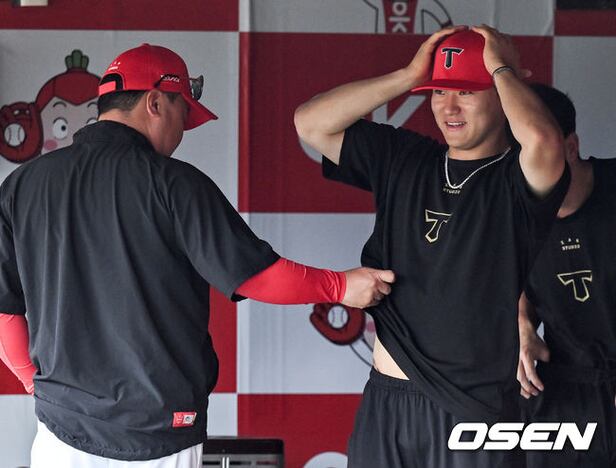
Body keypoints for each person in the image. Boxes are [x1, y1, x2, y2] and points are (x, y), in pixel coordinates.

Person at [0, 43, 395, 467]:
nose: (182, 132)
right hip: (156, 438)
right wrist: (341, 286)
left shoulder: (23, 185)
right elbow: (256, 276)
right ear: (155, 102)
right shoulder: (174, 184)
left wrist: (35, 385)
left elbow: (4, 312)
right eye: (182, 114)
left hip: (59, 435)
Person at [295, 25, 569, 467]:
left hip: (473, 410)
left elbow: (542, 140)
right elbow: (310, 122)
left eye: (467, 92)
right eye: (439, 91)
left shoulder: (519, 179)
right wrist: (409, 75)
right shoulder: (405, 156)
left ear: (504, 91)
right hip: (387, 401)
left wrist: (502, 68)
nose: (449, 107)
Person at [517, 83, 616, 468]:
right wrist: (523, 322)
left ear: (570, 147)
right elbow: (512, 280)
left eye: (539, 153)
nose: (528, 171)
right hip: (564, 392)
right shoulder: (511, 213)